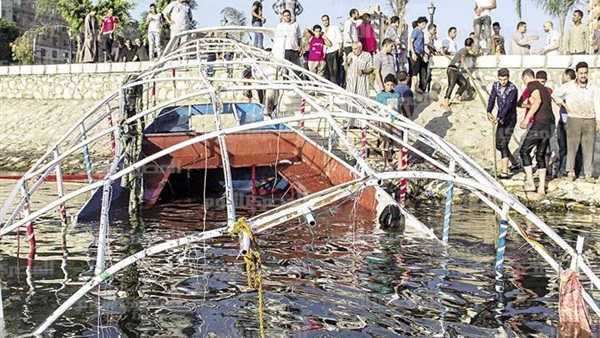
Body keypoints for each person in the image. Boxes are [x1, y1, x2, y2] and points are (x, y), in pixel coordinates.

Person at [552, 62, 600, 182]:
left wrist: (598, 120)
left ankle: (588, 174)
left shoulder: (593, 88)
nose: (583, 75)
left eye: (585, 73)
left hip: (590, 118)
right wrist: (564, 105)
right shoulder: (569, 86)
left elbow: (597, 104)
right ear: (577, 73)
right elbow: (555, 95)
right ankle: (570, 172)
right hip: (574, 118)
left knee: (589, 147)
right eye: (581, 73)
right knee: (572, 147)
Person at [519, 69, 555, 194]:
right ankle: (541, 187)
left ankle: (530, 183)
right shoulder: (543, 87)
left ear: (525, 78)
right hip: (550, 122)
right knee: (540, 154)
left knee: (524, 151)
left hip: (541, 122)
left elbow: (538, 100)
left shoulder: (532, 85)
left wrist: (526, 119)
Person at [487, 68, 518, 178]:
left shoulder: (513, 89)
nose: (503, 82)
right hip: (501, 119)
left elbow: (508, 106)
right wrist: (489, 111)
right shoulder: (496, 86)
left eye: (505, 79)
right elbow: (492, 98)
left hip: (510, 119)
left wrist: (499, 117)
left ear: (508, 78)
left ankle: (505, 171)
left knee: (504, 143)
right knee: (498, 145)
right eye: (501, 79)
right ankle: (514, 163)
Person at [344, 42, 373, 127]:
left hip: (362, 82)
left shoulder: (367, 55)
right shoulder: (350, 55)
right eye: (353, 49)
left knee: (362, 102)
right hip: (351, 82)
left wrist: (363, 71)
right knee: (349, 102)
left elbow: (371, 69)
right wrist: (345, 63)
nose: (354, 51)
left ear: (360, 48)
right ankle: (349, 123)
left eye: (355, 49)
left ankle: (362, 124)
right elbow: (346, 67)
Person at [444, 38, 475, 108]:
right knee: (451, 86)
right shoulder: (464, 50)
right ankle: (446, 102)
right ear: (472, 44)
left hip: (457, 70)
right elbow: (462, 59)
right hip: (452, 69)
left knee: (464, 83)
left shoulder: (465, 50)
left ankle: (456, 97)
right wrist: (466, 67)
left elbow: (470, 55)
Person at [377, 74, 401, 166]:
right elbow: (377, 109)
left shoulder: (397, 95)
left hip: (395, 121)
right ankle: (385, 162)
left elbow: (399, 107)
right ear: (384, 84)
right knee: (384, 143)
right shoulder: (381, 96)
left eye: (391, 85)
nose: (389, 87)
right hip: (385, 121)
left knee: (398, 143)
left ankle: (400, 164)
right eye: (387, 85)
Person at [321, 15, 342, 84]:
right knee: (329, 71)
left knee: (335, 70)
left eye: (326, 20)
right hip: (327, 53)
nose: (325, 22)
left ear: (329, 20)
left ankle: (337, 85)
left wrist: (340, 49)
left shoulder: (334, 28)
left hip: (334, 50)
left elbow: (339, 38)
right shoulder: (323, 31)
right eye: (323, 21)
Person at [409, 16, 428, 93]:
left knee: (420, 69)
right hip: (415, 52)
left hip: (420, 53)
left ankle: (417, 86)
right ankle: (414, 87)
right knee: (415, 71)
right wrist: (413, 53)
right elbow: (411, 42)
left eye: (425, 24)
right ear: (419, 23)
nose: (424, 25)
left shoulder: (422, 33)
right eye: (423, 24)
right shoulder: (416, 31)